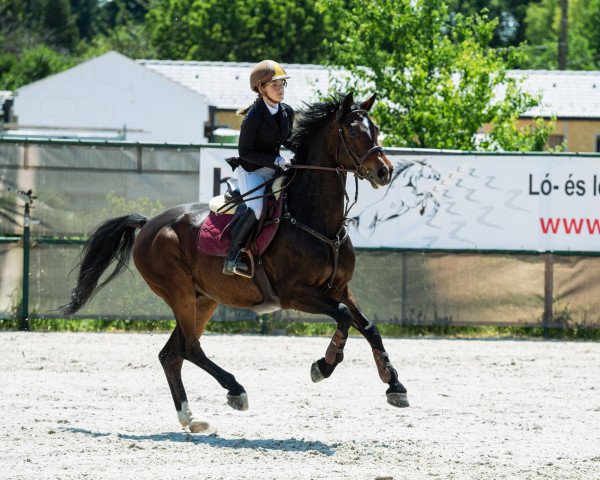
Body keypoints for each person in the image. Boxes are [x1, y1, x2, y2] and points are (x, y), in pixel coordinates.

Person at [223, 60, 295, 276]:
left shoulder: (286, 112)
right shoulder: (254, 116)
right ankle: (232, 256)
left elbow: (289, 140)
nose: (280, 89)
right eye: (274, 85)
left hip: (274, 170)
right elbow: (245, 153)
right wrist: (274, 160)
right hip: (251, 171)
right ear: (260, 88)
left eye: (282, 84)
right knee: (257, 209)